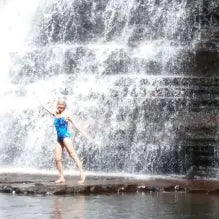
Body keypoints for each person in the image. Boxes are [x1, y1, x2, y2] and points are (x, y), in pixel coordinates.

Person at [40, 99, 86, 184]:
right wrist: (40, 101)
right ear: (57, 106)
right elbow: (46, 108)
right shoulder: (55, 113)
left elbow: (75, 124)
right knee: (57, 158)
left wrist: (84, 133)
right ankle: (62, 177)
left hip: (65, 137)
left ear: (65, 106)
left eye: (62, 106)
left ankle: (82, 175)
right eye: (59, 106)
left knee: (73, 155)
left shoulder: (67, 115)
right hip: (59, 138)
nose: (60, 107)